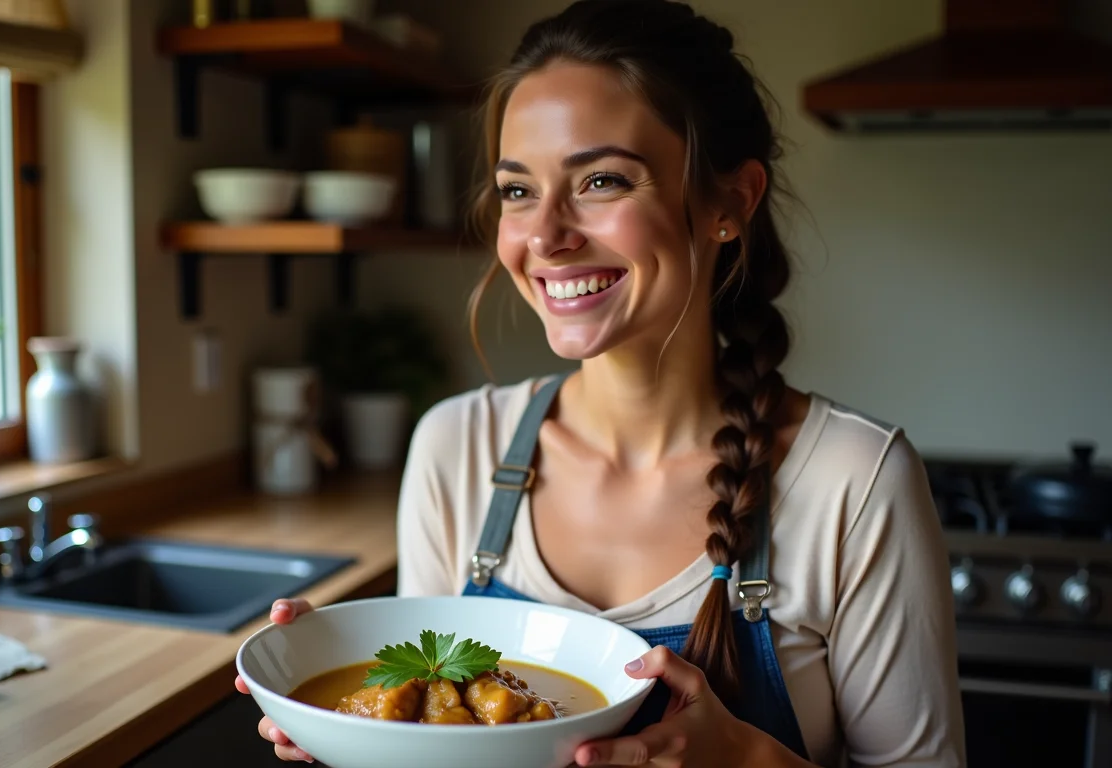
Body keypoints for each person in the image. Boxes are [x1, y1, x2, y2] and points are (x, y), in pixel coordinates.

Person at [235, 0, 967, 765]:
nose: (546, 236)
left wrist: (747, 760)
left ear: (729, 203)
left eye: (602, 180)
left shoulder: (855, 480)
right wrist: (354, 721)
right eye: (518, 190)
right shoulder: (457, 448)